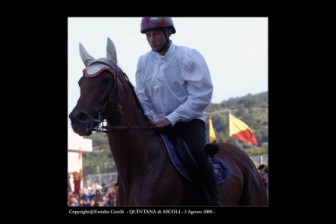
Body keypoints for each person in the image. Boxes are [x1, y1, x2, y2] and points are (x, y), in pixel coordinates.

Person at [135, 17, 221, 206]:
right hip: (156, 125)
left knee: (196, 153)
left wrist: (171, 118)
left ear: (169, 32)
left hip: (188, 121)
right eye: (148, 35)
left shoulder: (188, 56)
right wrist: (148, 119)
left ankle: (213, 198)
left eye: (155, 34)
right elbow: (142, 96)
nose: (151, 39)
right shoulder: (143, 62)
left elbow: (201, 96)